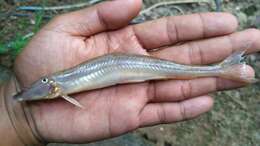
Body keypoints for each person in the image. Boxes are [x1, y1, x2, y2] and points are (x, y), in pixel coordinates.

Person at [0, 0, 259, 145]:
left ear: (52, 87)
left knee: (176, 73)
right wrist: (16, 116)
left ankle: (222, 69)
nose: (43, 84)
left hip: (137, 67)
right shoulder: (58, 87)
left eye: (44, 81)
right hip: (130, 67)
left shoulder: (59, 85)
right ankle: (222, 69)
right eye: (44, 82)